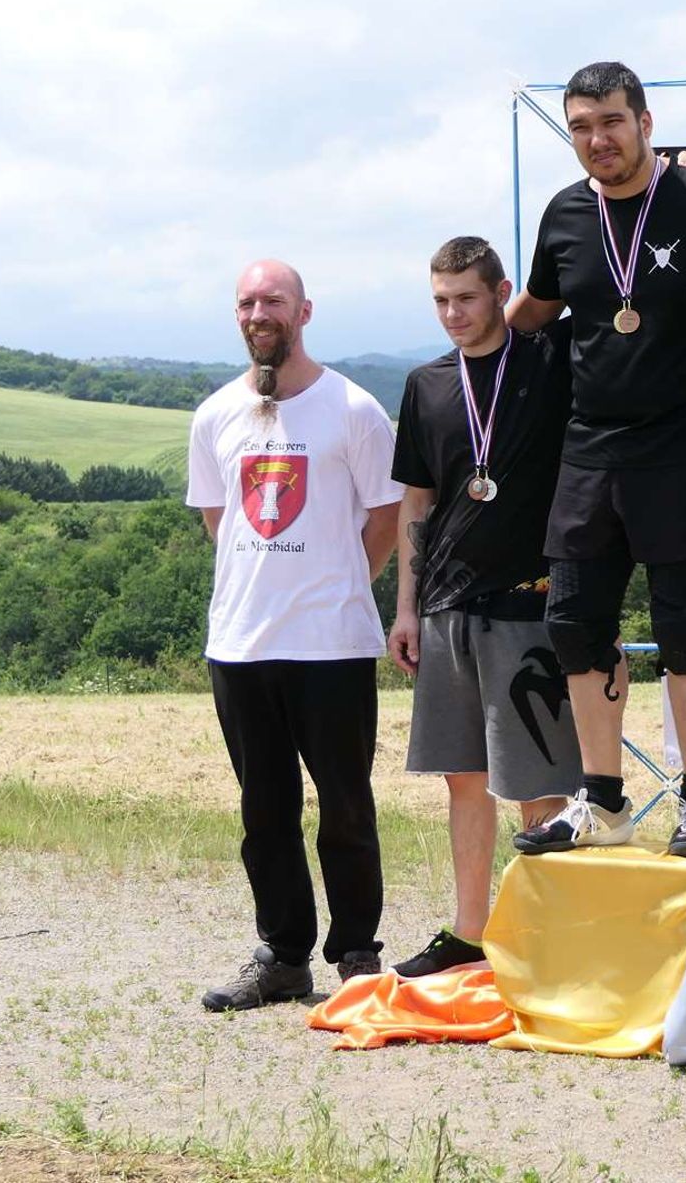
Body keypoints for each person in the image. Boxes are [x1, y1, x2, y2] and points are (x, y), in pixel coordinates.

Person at [506, 61, 686, 857]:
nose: (596, 139)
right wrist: (472, 335)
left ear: (646, 122)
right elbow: (534, 313)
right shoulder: (565, 213)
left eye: (610, 121)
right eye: (580, 126)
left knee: (684, 624)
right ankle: (602, 799)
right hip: (591, 445)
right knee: (574, 621)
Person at [188, 259, 403, 1011]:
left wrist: (343, 578)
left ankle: (356, 952)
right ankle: (283, 955)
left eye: (272, 299)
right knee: (263, 811)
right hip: (241, 645)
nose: (258, 312)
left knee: (345, 805)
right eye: (246, 300)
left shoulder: (353, 409)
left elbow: (386, 517)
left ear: (303, 310)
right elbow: (221, 521)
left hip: (334, 644)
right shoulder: (215, 414)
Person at [385, 237, 587, 977]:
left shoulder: (544, 361)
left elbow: (590, 279)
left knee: (536, 782)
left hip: (529, 603)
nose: (453, 314)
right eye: (440, 300)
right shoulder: (425, 383)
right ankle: (469, 931)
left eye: (466, 298)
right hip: (444, 608)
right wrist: (405, 607)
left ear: (501, 291)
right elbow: (418, 497)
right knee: (462, 777)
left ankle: (545, 937)